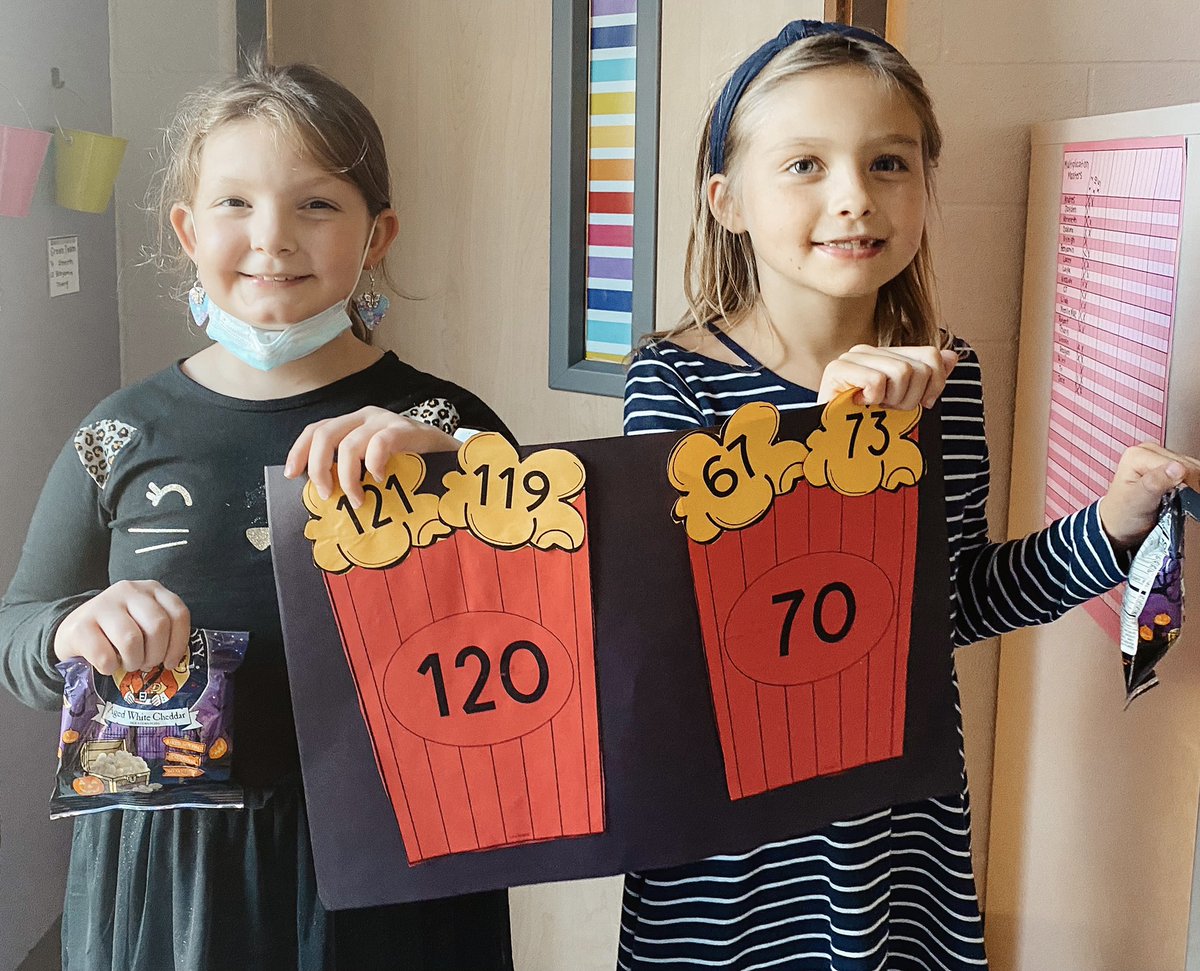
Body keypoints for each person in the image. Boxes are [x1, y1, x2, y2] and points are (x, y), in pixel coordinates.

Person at [621, 20, 1200, 971]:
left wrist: (1112, 525)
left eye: (888, 162)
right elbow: (688, 637)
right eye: (805, 165)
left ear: (925, 184)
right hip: (732, 848)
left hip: (897, 833)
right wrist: (826, 437)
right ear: (728, 201)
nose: (854, 196)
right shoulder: (674, 380)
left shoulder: (945, 376)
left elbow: (953, 601)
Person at [0, 63, 514, 971]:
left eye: (317, 204)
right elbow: (18, 633)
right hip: (170, 869)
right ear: (188, 231)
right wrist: (69, 630)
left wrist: (466, 464)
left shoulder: (440, 426)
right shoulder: (118, 434)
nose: (272, 236)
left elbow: (560, 625)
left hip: (396, 852)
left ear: (378, 234)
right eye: (235, 202)